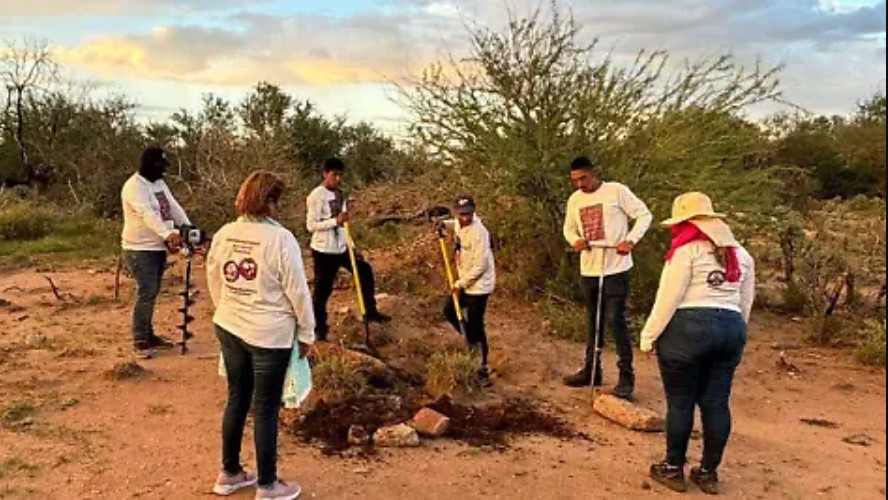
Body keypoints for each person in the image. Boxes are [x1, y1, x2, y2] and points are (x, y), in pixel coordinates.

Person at [206, 171, 316, 500]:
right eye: (275, 199)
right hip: (269, 335)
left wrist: (228, 308)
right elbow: (298, 290)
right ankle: (268, 485)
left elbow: (214, 277)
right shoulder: (280, 239)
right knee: (266, 407)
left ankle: (229, 473)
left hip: (230, 324)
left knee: (237, 398)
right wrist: (308, 331)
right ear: (268, 200)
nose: (278, 206)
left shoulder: (226, 233)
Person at [641, 192, 756, 495]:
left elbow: (669, 297)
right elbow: (745, 303)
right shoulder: (741, 254)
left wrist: (649, 335)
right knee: (716, 403)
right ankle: (708, 472)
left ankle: (673, 467)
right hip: (730, 329)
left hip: (688, 330)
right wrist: (734, 334)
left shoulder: (686, 250)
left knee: (680, 401)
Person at [562, 156, 653, 400]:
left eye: (583, 178)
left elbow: (644, 215)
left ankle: (626, 377)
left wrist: (630, 240)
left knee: (616, 319)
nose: (580, 184)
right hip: (590, 267)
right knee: (593, 319)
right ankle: (592, 369)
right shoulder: (575, 200)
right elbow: (569, 228)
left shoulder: (616, 191)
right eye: (575, 180)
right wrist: (575, 240)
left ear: (594, 173)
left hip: (616, 266)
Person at [306, 157, 390, 341]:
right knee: (323, 289)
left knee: (364, 271)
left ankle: (370, 311)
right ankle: (319, 328)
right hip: (323, 250)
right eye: (334, 175)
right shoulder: (315, 196)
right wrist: (334, 221)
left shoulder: (340, 194)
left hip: (341, 247)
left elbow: (345, 226)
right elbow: (311, 226)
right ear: (325, 174)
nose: (338, 179)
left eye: (340, 175)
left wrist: (352, 246)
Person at [120, 146, 191, 359]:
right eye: (161, 165)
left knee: (152, 292)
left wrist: (187, 226)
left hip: (158, 247)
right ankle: (140, 339)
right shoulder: (134, 187)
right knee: (146, 291)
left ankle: (149, 335)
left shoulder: (159, 184)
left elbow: (173, 206)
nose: (164, 170)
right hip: (139, 249)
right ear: (150, 164)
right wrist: (168, 234)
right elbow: (147, 214)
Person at [437, 195, 497, 386]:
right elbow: (453, 224)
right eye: (461, 214)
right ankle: (470, 342)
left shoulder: (480, 233)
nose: (465, 218)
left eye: (468, 214)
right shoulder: (458, 222)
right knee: (449, 310)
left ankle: (482, 368)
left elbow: (481, 266)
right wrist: (442, 225)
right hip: (465, 280)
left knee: (477, 324)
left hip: (479, 286)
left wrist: (459, 284)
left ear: (474, 211)